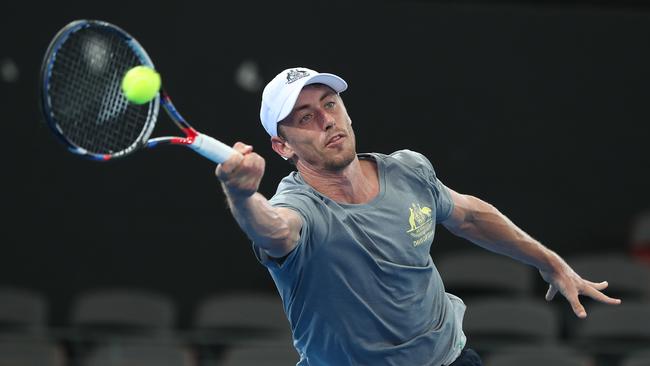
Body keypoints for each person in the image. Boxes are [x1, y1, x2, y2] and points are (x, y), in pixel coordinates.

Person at [215, 67, 622, 366]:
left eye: (330, 104)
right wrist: (241, 193)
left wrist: (549, 262)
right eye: (305, 117)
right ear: (282, 147)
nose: (327, 121)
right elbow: (274, 230)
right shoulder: (299, 206)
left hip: (449, 358)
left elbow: (470, 216)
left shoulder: (406, 169)